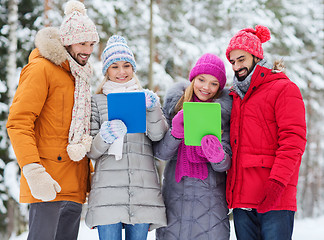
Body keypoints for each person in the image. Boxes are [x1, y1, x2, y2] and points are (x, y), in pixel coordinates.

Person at [6, 1, 99, 239]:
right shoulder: (41, 69)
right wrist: (33, 171)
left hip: (75, 184)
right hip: (48, 182)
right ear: (67, 42)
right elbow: (18, 123)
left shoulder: (81, 76)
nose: (88, 50)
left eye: (91, 43)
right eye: (82, 43)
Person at [225, 25, 307, 240]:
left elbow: (293, 141)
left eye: (241, 59)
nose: (236, 66)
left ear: (255, 56)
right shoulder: (235, 96)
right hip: (242, 201)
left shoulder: (283, 89)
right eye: (232, 61)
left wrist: (277, 183)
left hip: (274, 197)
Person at [85, 35, 168, 240]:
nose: (121, 72)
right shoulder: (96, 101)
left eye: (126, 66)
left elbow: (158, 136)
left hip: (142, 190)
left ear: (133, 68)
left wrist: (153, 108)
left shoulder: (144, 98)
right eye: (114, 67)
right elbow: (91, 151)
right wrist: (105, 136)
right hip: (108, 192)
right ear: (106, 71)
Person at [153, 53, 232, 240]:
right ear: (193, 79)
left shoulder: (223, 116)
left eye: (213, 83)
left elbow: (225, 164)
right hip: (175, 202)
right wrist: (175, 133)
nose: (206, 87)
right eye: (202, 79)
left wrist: (217, 155)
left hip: (210, 206)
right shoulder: (174, 108)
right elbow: (161, 154)